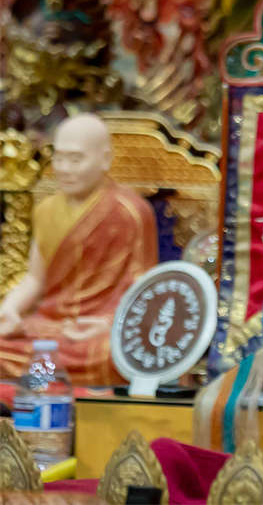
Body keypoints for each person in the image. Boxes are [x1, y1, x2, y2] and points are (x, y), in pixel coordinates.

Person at [0, 113, 157, 383]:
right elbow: (34, 279)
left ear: (105, 159)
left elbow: (144, 289)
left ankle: (42, 380)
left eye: (75, 159)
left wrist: (110, 324)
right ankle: (45, 379)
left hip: (98, 333)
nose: (64, 169)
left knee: (114, 355)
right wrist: (9, 309)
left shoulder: (131, 211)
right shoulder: (46, 210)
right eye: (59, 158)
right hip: (48, 327)